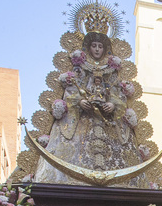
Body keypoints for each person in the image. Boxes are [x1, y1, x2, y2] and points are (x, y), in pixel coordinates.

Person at [34, 31, 140, 184]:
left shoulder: (112, 73)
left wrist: (113, 104)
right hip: (81, 123)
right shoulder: (78, 71)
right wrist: (79, 102)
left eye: (100, 47)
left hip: (109, 124)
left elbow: (120, 98)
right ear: (88, 48)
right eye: (94, 46)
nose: (97, 49)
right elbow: (69, 94)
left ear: (105, 49)